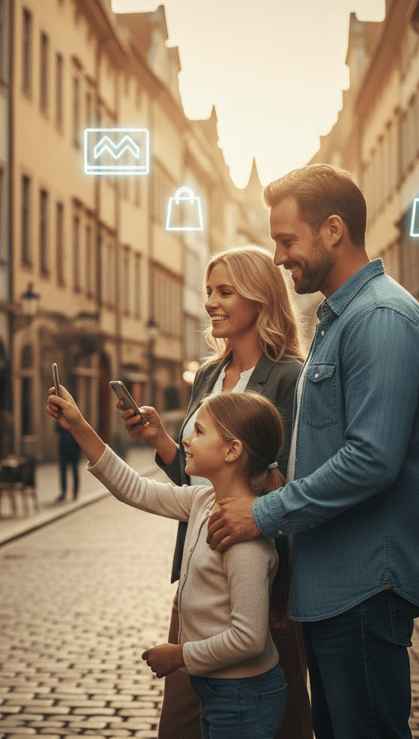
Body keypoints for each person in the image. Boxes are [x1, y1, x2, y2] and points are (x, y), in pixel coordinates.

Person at [206, 164, 419, 739]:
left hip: (364, 586)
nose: (280, 256)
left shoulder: (380, 319)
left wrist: (263, 512)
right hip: (334, 585)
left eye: (287, 241)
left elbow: (371, 459)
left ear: (333, 230)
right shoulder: (340, 319)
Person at [118, 245, 311, 739]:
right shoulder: (208, 373)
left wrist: (262, 506)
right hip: (201, 568)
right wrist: (161, 440)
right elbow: (197, 482)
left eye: (225, 291)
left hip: (258, 577)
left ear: (261, 298)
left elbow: (295, 478)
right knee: (181, 722)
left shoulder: (290, 376)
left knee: (274, 720)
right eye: (209, 292)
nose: (211, 302)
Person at [48, 385, 290, 739]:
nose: (186, 440)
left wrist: (179, 656)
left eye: (199, 431)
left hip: (242, 694)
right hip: (219, 689)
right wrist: (80, 425)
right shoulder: (203, 500)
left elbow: (249, 639)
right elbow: (135, 488)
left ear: (232, 450)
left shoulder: (243, 540)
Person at [56, 423, 81, 501]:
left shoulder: (76, 416)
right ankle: (63, 492)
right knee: (63, 471)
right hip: (63, 448)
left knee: (75, 471)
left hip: (75, 449)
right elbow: (56, 429)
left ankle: (75, 493)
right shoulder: (60, 417)